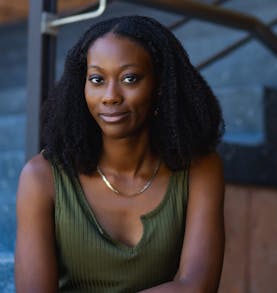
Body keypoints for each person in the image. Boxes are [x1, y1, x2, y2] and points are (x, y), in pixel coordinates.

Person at [15, 15, 226, 292]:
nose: (110, 96)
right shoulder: (41, 178)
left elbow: (197, 287)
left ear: (160, 85)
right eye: (97, 79)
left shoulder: (200, 169)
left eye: (129, 78)